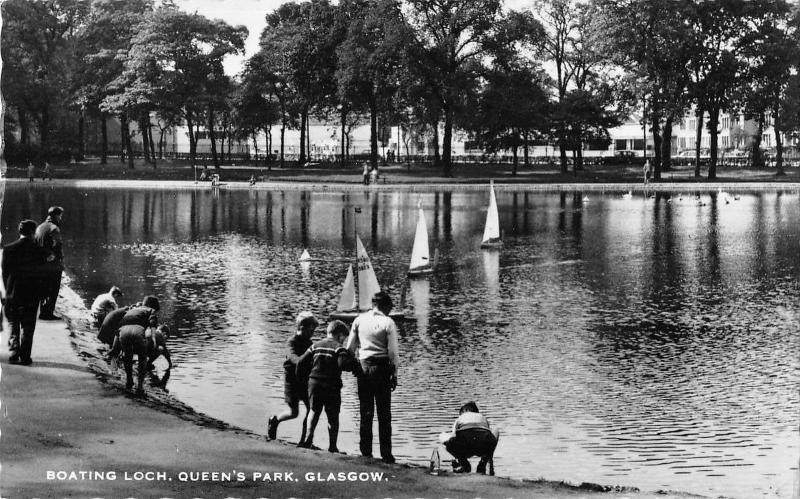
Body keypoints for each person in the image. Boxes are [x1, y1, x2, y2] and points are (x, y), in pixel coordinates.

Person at [346, 291, 399, 463]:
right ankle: (386, 454)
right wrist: (394, 373)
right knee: (384, 413)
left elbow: (350, 348)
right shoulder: (388, 322)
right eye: (390, 307)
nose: (390, 310)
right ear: (384, 305)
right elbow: (392, 352)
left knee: (365, 411)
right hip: (382, 368)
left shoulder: (359, 320)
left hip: (364, 367)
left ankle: (366, 451)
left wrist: (355, 366)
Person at [296, 320, 354, 452]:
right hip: (331, 386)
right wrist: (351, 359)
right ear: (339, 335)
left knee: (314, 411)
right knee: (333, 416)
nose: (343, 342)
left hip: (314, 384)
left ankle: (307, 440)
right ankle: (332, 446)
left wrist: (303, 380)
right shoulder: (339, 348)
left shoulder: (315, 345)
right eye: (343, 338)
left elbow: (300, 363)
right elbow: (343, 365)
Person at [2, 220, 49, 365]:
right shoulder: (39, 250)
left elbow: (4, 273)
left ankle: (14, 351)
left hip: (14, 292)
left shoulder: (9, 249)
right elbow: (44, 275)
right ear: (32, 232)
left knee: (13, 322)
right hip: (32, 293)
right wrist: (45, 294)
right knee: (28, 326)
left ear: (20, 232)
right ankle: (25, 355)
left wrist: (7, 291)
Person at [267, 311, 318, 442]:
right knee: (294, 413)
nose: (313, 332)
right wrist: (304, 359)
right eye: (311, 329)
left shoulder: (309, 343)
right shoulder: (291, 342)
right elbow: (293, 358)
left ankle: (305, 441)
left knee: (311, 409)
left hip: (306, 381)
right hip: (292, 381)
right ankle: (275, 420)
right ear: (302, 327)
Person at [439, 401, 500, 475]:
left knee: (442, 436)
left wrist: (456, 455)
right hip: (482, 446)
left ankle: (463, 462)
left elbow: (454, 436)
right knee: (495, 431)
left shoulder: (460, 418)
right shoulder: (483, 417)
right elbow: (489, 435)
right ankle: (484, 462)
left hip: (465, 445)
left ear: (464, 411)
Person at [117, 295, 160, 395]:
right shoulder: (151, 310)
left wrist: (116, 348)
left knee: (128, 356)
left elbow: (119, 326)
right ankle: (140, 388)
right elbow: (153, 324)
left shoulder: (133, 309)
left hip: (123, 331)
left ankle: (129, 381)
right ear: (151, 306)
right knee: (142, 358)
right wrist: (153, 338)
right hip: (137, 330)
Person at [34, 206, 64, 320]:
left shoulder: (40, 227)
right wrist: (60, 262)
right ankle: (47, 313)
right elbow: (57, 246)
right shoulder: (54, 228)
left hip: (41, 264)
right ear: (56, 215)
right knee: (53, 289)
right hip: (53, 265)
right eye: (60, 215)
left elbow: (36, 245)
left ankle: (43, 312)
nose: (61, 218)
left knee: (44, 288)